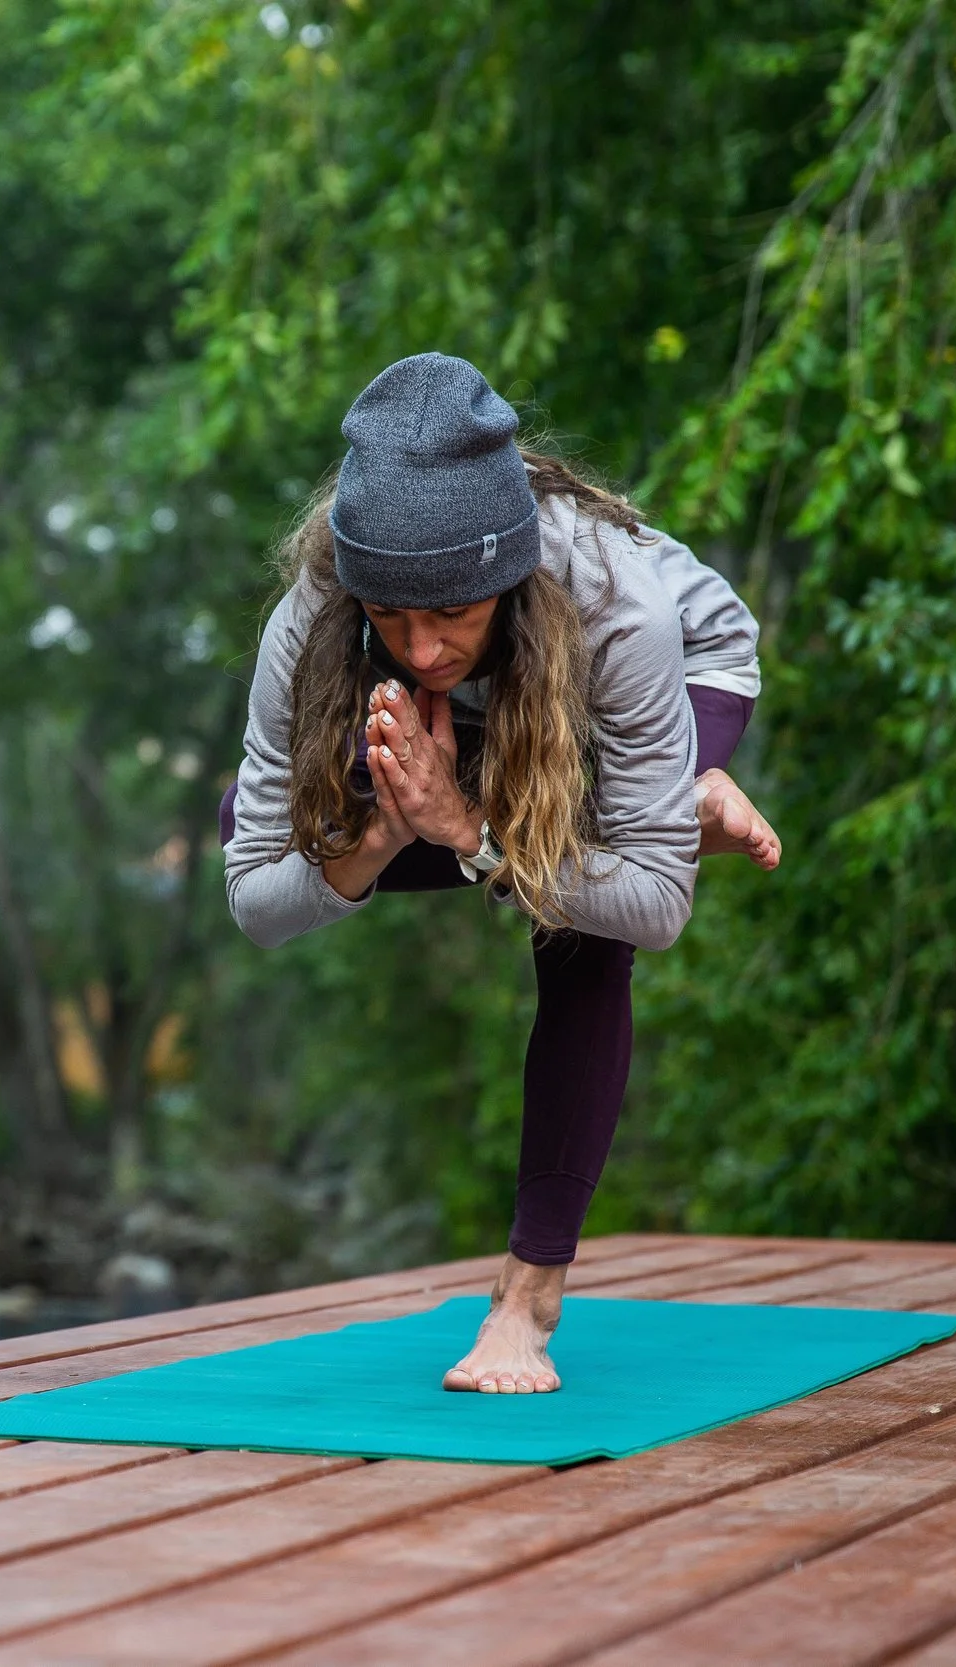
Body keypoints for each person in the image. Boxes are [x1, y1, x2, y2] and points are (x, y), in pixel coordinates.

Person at [220, 352, 781, 1394]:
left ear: (508, 576)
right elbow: (255, 894)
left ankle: (527, 1300)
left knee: (588, 918)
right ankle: (661, 815)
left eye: (453, 614)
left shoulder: (613, 599)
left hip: (672, 677)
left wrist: (471, 830)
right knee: (293, 818)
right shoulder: (315, 610)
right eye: (392, 617)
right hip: (488, 735)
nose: (423, 649)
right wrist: (388, 832)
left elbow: (657, 912)